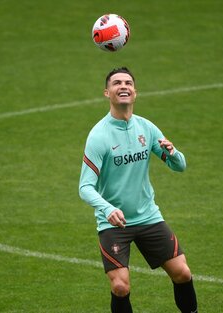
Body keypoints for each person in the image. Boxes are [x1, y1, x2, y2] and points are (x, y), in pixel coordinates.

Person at [78, 67, 198, 313]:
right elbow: (85, 187)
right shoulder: (99, 136)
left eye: (128, 83)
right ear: (107, 92)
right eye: (117, 83)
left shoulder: (146, 128)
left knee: (182, 273)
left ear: (135, 92)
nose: (124, 86)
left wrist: (173, 153)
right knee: (120, 286)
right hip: (114, 225)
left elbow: (180, 166)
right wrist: (107, 208)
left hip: (148, 217)